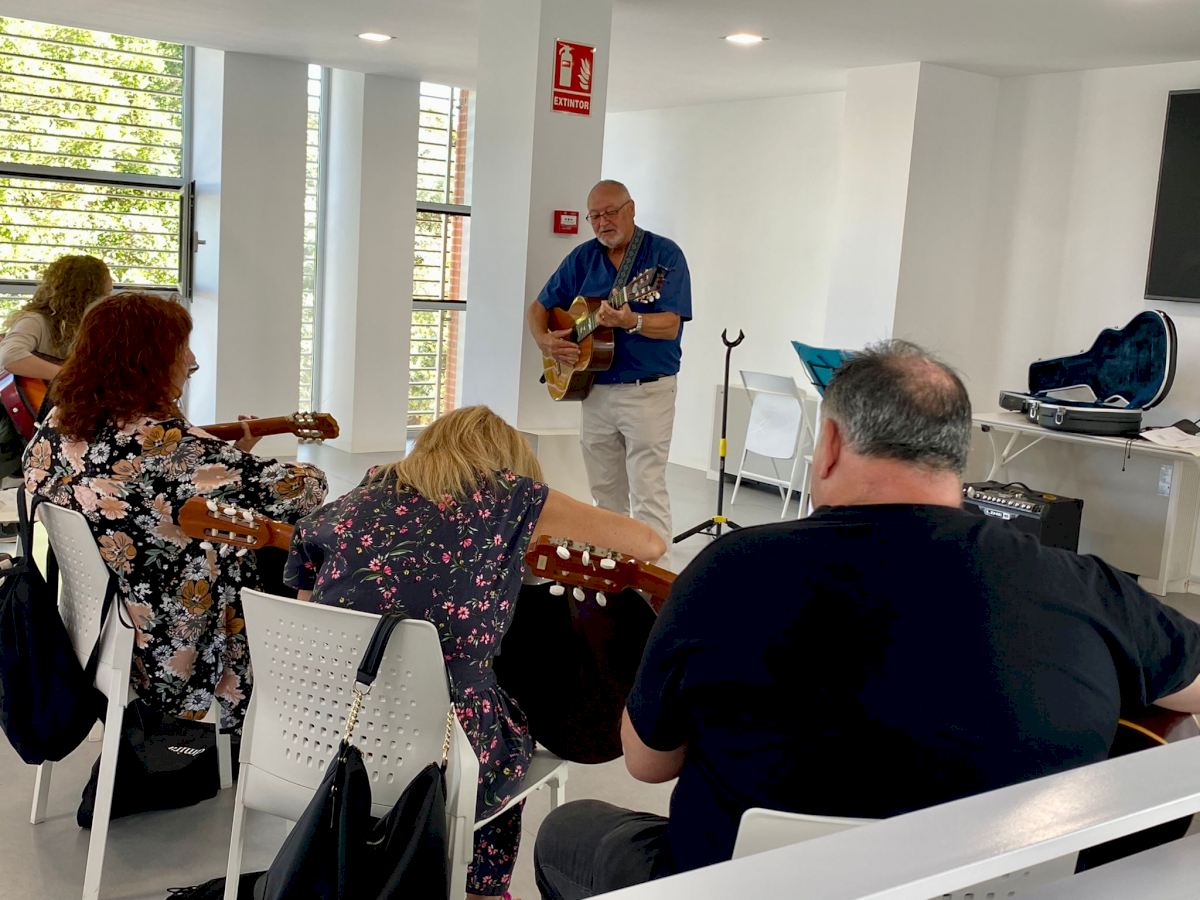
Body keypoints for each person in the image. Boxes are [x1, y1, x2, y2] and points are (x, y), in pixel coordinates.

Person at [533, 340, 1200, 898]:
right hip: (988, 886)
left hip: (736, 886)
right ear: (956, 458)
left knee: (566, 831)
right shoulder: (1080, 585)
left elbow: (647, 764)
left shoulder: (726, 572)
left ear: (828, 444)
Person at [283, 404, 665, 900]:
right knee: (510, 728)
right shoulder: (510, 496)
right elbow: (649, 544)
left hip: (320, 736)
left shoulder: (353, 499)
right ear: (507, 464)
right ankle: (482, 890)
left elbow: (308, 626)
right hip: (446, 750)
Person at [23, 292, 327, 729]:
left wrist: (219, 458)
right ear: (150, 361)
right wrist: (296, 466)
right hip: (171, 638)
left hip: (91, 621)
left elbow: (148, 498)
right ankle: (279, 717)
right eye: (183, 348)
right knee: (291, 557)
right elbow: (304, 492)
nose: (192, 359)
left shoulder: (59, 423)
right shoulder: (164, 444)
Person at [527, 180, 691, 544]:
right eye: (595, 216)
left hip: (647, 391)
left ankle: (655, 574)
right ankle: (610, 569)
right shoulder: (583, 257)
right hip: (594, 390)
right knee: (604, 494)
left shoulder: (663, 256)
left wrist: (632, 321)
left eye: (611, 213)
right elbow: (538, 307)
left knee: (647, 490)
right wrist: (545, 342)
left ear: (631, 209)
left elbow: (670, 325)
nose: (603, 222)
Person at [0, 254, 112, 380]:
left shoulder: (93, 327)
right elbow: (9, 357)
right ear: (84, 296)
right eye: (105, 294)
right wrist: (73, 378)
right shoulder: (35, 320)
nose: (107, 301)